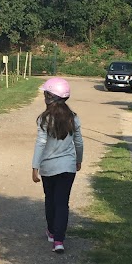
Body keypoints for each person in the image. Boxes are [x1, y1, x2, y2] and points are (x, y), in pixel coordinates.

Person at [32, 77, 83, 253]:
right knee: (62, 203)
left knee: (50, 200)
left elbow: (40, 143)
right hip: (68, 167)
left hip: (48, 167)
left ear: (50, 97)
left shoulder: (44, 119)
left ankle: (52, 232)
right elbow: (79, 142)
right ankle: (59, 241)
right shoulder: (73, 118)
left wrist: (35, 167)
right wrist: (79, 160)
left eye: (45, 94)